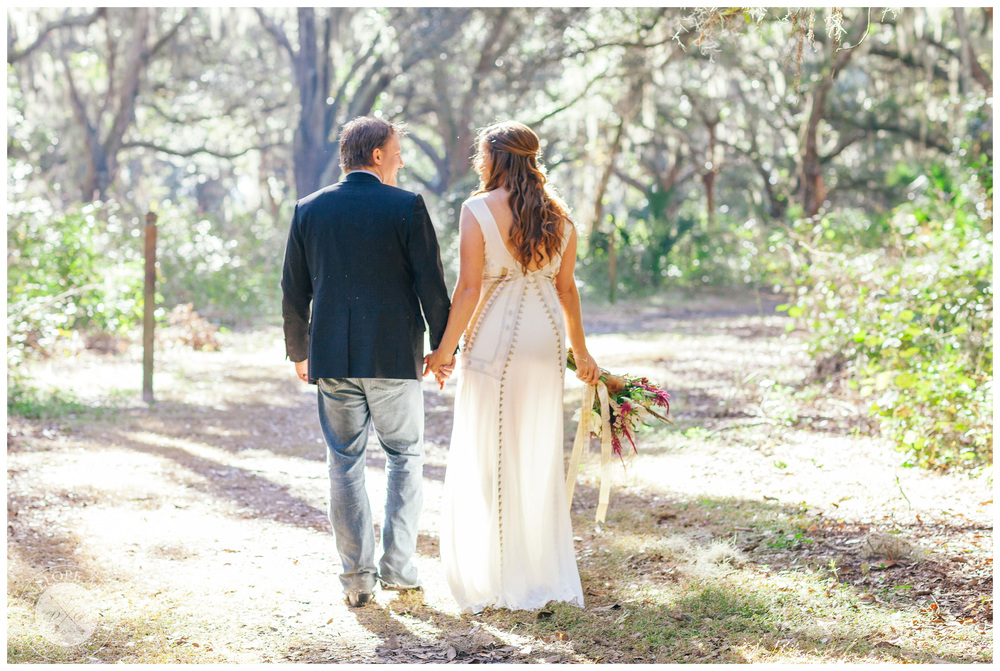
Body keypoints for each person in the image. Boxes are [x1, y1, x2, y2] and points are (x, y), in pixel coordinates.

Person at [424, 121, 601, 613]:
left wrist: (443, 351)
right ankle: (537, 568)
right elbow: (567, 289)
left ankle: (498, 573)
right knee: (536, 448)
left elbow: (468, 289)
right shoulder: (561, 217)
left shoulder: (477, 209)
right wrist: (580, 352)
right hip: (544, 337)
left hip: (496, 338)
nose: (478, 163)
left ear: (494, 158)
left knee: (491, 452)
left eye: (481, 155)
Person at [281, 116, 451, 608]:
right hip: (394, 357)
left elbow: (294, 289)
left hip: (331, 358)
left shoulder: (308, 208)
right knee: (405, 457)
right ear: (376, 155)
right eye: (397, 151)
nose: (401, 160)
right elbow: (431, 287)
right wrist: (443, 350)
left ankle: (357, 580)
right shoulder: (407, 207)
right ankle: (399, 570)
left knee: (344, 465)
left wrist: (301, 350)